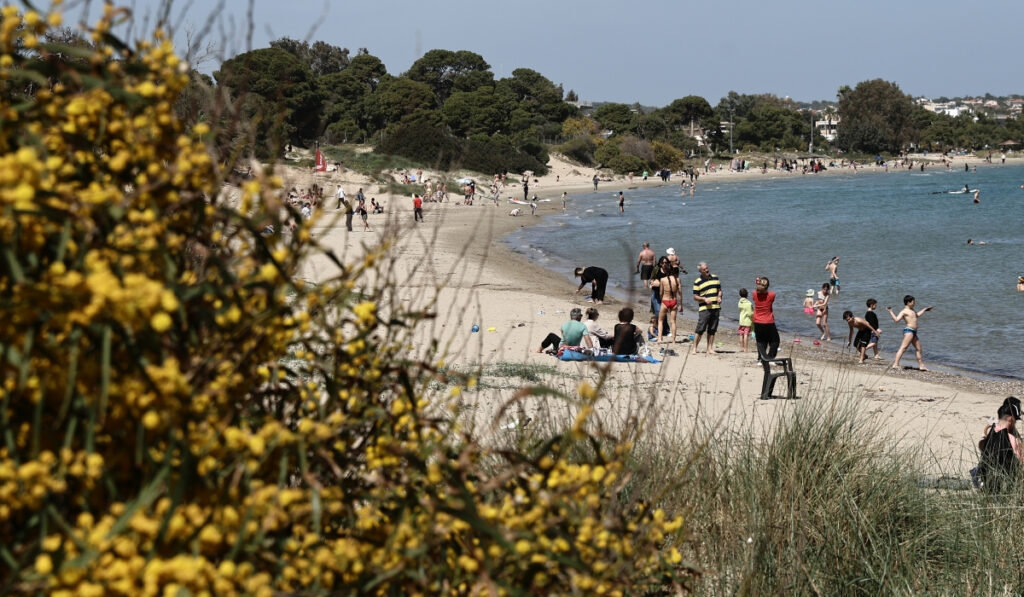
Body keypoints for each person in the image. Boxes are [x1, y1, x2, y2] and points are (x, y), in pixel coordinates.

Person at [975, 397, 1024, 493]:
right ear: (1010, 419)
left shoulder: (990, 430)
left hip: (986, 481)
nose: (1015, 423)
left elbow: (981, 446)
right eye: (1015, 421)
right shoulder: (1013, 439)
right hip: (1006, 485)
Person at [886, 295, 934, 371]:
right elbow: (896, 320)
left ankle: (921, 366)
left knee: (919, 348)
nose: (914, 303)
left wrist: (924, 310)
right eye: (913, 302)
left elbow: (917, 315)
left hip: (914, 332)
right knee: (903, 348)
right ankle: (895, 364)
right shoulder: (904, 311)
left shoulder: (913, 310)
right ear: (908, 302)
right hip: (909, 331)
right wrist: (891, 311)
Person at [752, 276, 781, 396]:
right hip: (768, 321)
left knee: (761, 342)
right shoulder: (772, 295)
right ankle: (769, 357)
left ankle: (763, 360)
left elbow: (757, 290)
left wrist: (758, 283)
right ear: (767, 286)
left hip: (757, 321)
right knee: (775, 341)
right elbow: (768, 294)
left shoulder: (754, 294)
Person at [691, 261, 722, 354]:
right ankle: (694, 348)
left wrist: (719, 296)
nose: (707, 270)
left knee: (712, 329)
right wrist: (704, 299)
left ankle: (709, 348)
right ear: (700, 271)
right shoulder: (697, 282)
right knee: (700, 328)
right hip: (704, 309)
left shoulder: (715, 278)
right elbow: (695, 296)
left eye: (707, 268)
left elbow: (719, 290)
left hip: (716, 307)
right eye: (704, 269)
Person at [651, 261, 680, 342]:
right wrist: (680, 304)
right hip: (673, 301)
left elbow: (661, 293)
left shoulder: (663, 280)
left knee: (660, 320)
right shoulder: (677, 279)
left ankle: (660, 338)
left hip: (665, 301)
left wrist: (662, 299)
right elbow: (679, 292)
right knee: (673, 321)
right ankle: (673, 340)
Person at [737, 288, 753, 353]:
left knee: (741, 334)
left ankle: (741, 347)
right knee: (746, 334)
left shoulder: (739, 302)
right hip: (747, 321)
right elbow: (750, 313)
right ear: (747, 295)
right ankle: (745, 349)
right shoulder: (749, 303)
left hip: (741, 320)